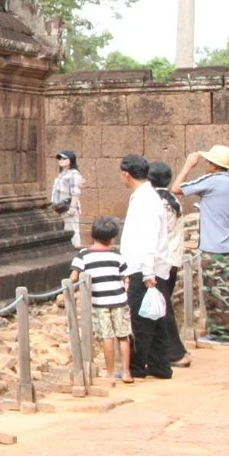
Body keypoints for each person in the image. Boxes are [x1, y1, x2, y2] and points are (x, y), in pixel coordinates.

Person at [179, 146, 229, 346]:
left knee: (216, 291)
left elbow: (177, 189)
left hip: (216, 247)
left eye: (207, 162)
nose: (205, 165)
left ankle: (220, 333)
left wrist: (188, 165)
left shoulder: (210, 181)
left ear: (213, 165)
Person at [117, 154, 171, 380]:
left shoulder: (146, 200)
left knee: (140, 319)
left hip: (145, 268)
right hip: (149, 266)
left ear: (126, 175)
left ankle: (137, 366)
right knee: (156, 318)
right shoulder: (145, 197)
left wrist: (148, 272)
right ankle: (160, 365)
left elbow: (148, 238)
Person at [74, 216, 132, 383]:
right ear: (112, 237)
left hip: (100, 302)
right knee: (123, 335)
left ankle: (110, 374)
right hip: (119, 300)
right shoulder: (116, 255)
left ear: (93, 234)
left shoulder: (84, 255)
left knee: (107, 336)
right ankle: (126, 372)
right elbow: (125, 276)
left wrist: (67, 290)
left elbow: (74, 275)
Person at [147, 161, 191, 370]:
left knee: (162, 308)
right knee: (162, 305)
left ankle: (176, 353)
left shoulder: (156, 203)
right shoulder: (173, 200)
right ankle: (162, 351)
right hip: (173, 260)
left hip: (160, 263)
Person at [50, 152, 86, 247]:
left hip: (68, 207)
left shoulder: (74, 174)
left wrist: (72, 207)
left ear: (71, 160)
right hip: (59, 208)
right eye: (60, 159)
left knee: (72, 231)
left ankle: (75, 251)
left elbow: (75, 192)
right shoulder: (62, 174)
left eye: (64, 159)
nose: (61, 161)